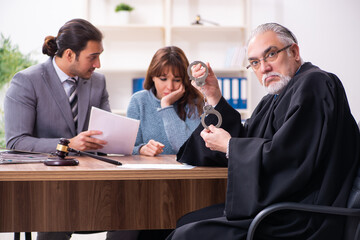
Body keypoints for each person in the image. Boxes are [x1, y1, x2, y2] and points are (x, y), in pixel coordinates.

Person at [166, 23, 360, 240]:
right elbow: (248, 136)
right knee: (186, 221)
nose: (264, 68)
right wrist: (214, 96)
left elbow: (292, 157)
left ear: (294, 52)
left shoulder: (315, 84)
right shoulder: (274, 97)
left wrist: (231, 146)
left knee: (187, 235)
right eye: (255, 63)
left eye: (271, 55)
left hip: (302, 216)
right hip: (279, 208)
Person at [4, 18, 134, 240]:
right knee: (54, 221)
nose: (98, 64)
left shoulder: (97, 82)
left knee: (136, 214)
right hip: (48, 185)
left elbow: (106, 132)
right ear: (69, 55)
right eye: (93, 57)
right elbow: (16, 141)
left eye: (99, 55)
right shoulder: (27, 81)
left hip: (93, 181)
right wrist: (67, 144)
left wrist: (128, 142)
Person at [127, 46, 203, 157]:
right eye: (163, 79)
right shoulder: (138, 101)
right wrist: (141, 149)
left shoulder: (193, 102)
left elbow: (188, 148)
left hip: (186, 172)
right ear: (152, 76)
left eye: (177, 80)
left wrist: (166, 106)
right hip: (150, 171)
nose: (170, 87)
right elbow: (127, 148)